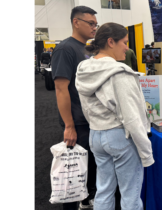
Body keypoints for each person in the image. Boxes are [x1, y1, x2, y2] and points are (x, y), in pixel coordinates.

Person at [75, 22, 154, 210]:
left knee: (104, 190)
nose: (127, 48)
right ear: (111, 42)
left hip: (96, 134)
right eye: (125, 42)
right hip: (120, 136)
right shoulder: (121, 73)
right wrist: (146, 152)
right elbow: (132, 117)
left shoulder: (84, 69)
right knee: (130, 194)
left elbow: (86, 107)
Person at [51, 6, 98, 210]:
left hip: (92, 120)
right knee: (73, 172)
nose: (94, 27)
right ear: (76, 22)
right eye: (91, 23)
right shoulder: (65, 49)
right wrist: (69, 125)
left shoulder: (87, 49)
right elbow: (61, 89)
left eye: (96, 24)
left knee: (90, 169)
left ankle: (86, 199)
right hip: (77, 123)